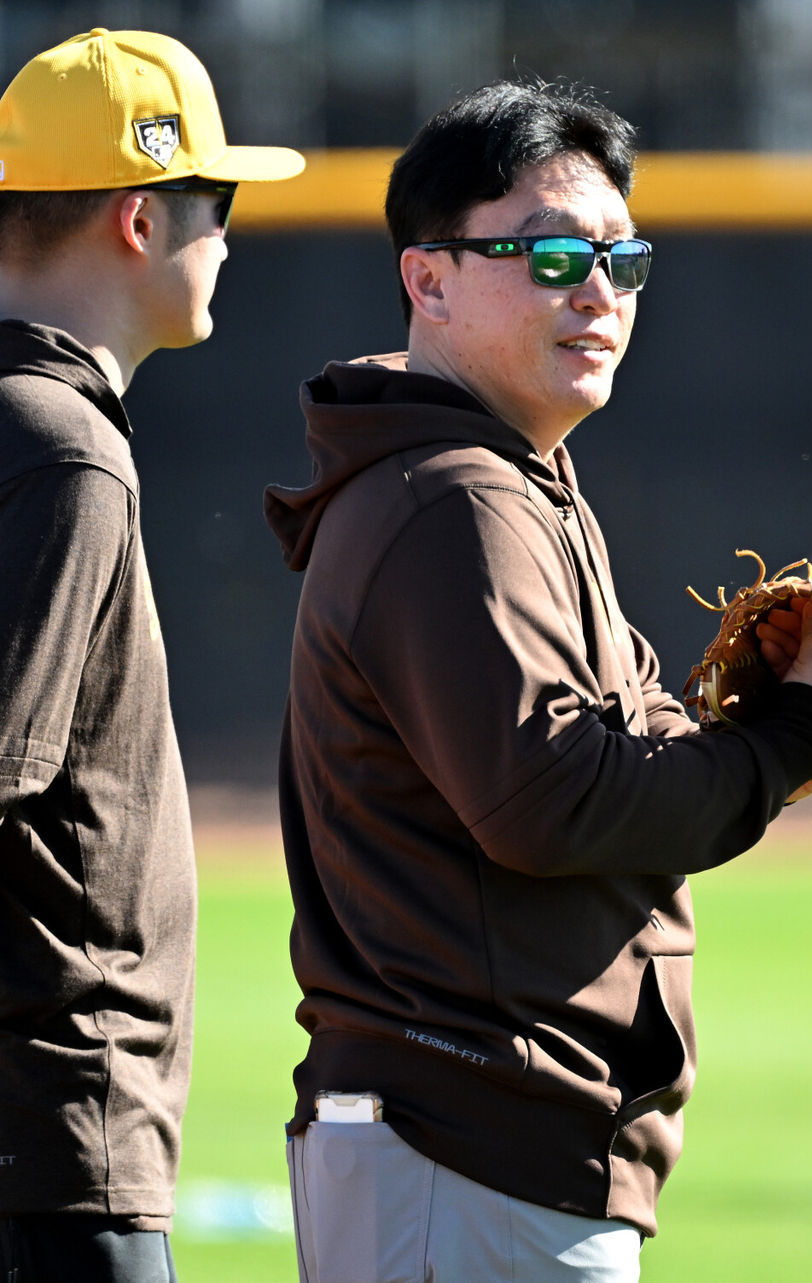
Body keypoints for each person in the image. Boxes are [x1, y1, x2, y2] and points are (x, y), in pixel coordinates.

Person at [265, 79, 812, 1283]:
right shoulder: (453, 496)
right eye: (547, 254)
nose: (595, 291)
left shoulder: (506, 478)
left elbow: (617, 745)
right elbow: (559, 800)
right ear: (426, 278)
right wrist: (796, 725)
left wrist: (747, 723)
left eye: (619, 258)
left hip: (471, 1151)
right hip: (466, 1145)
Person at [0, 27, 304, 1283]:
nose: (226, 236)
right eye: (215, 202)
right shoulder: (61, 445)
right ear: (138, 216)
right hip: (52, 1129)